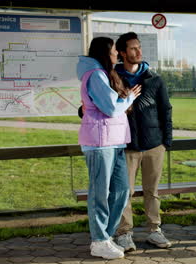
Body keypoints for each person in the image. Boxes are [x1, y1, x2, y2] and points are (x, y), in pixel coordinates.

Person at [77, 37, 141, 259]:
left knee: (122, 190)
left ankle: (106, 235)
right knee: (100, 194)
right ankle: (99, 240)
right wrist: (130, 97)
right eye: (114, 50)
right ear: (106, 52)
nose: (117, 54)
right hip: (99, 143)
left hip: (116, 141)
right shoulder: (95, 74)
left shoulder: (103, 74)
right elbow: (111, 107)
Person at [114, 32, 173, 251]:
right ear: (122, 53)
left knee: (152, 191)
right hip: (126, 146)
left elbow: (166, 110)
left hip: (154, 145)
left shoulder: (154, 79)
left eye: (139, 47)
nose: (139, 52)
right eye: (133, 48)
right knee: (124, 192)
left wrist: (166, 141)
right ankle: (124, 233)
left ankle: (154, 231)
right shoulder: (113, 78)